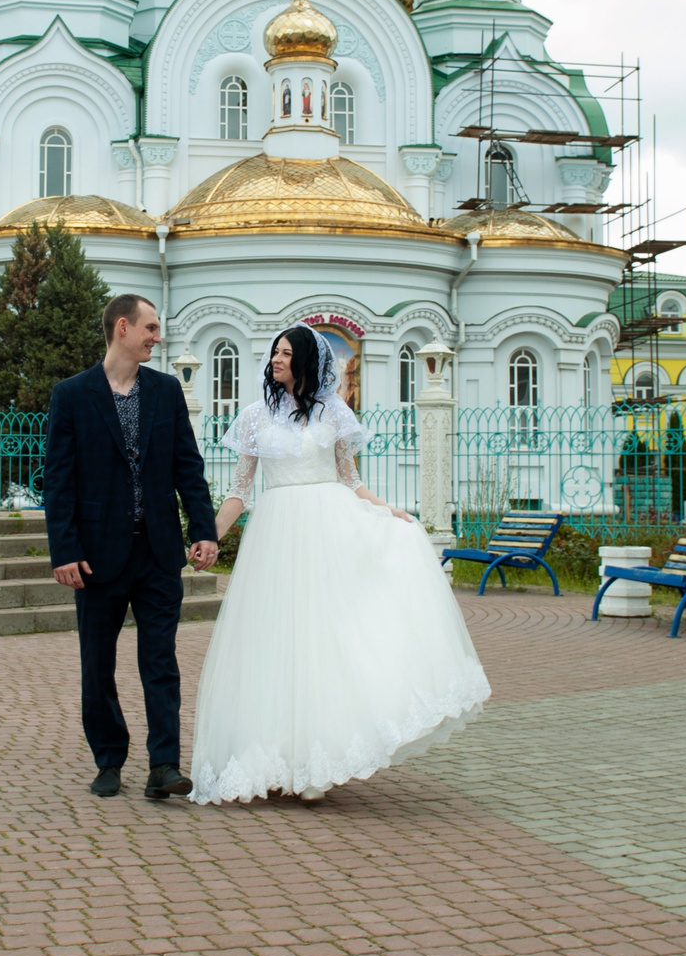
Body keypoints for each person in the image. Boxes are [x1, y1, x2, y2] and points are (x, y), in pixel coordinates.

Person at [190, 325, 490, 804]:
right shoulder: (254, 416)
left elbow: (351, 480)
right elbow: (239, 491)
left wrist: (385, 510)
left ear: (307, 360)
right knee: (273, 644)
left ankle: (316, 761)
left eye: (287, 354)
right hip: (276, 537)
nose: (277, 361)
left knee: (324, 643)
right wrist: (209, 536)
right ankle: (270, 757)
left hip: (328, 534)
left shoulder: (333, 413)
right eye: (274, 353)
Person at [43, 293, 220, 801]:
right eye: (151, 327)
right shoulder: (72, 395)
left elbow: (189, 467)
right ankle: (109, 760)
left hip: (159, 551)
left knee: (160, 661)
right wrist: (64, 551)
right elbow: (59, 481)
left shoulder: (164, 392)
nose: (156, 337)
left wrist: (202, 531)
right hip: (96, 555)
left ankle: (164, 765)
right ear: (123, 327)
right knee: (97, 663)